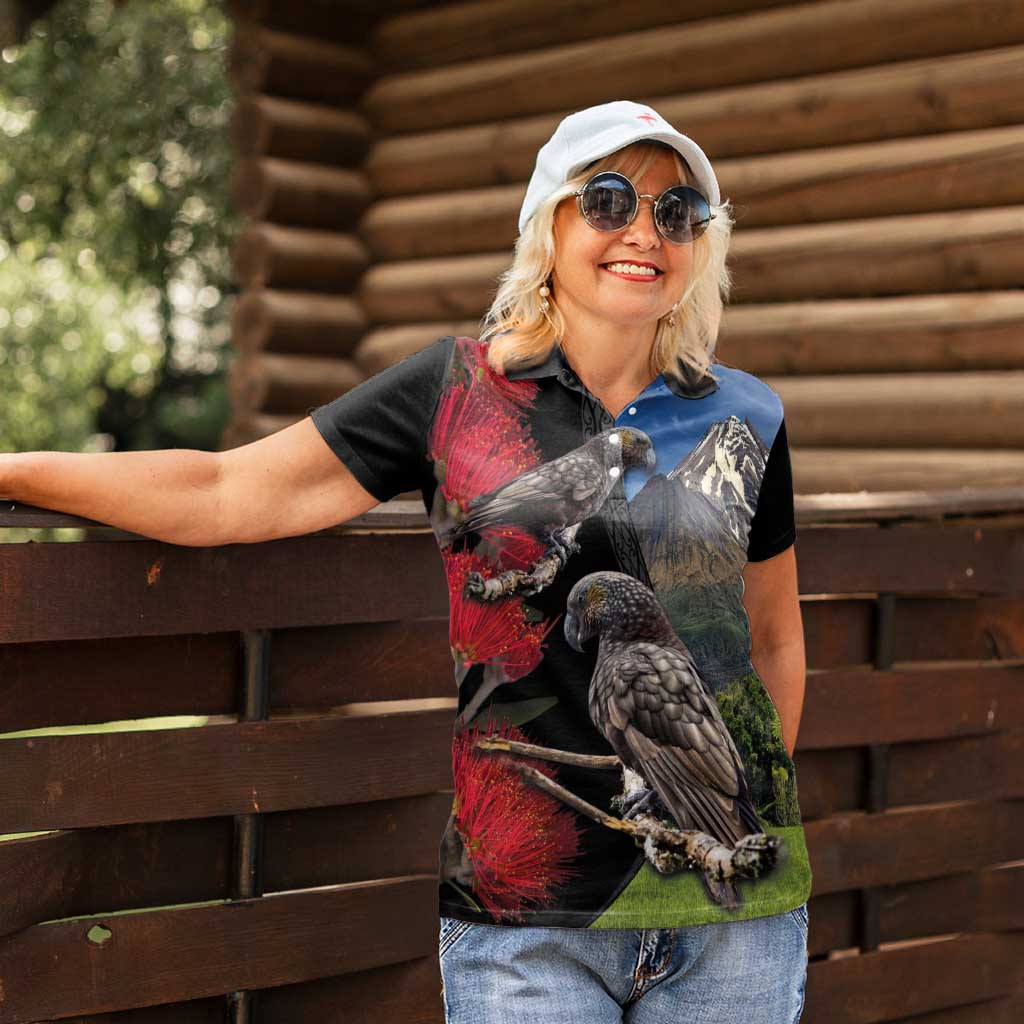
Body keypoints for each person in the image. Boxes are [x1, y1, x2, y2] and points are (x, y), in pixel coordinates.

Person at [0, 99, 809, 1022]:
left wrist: (727, 805)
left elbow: (776, 639)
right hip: (524, 927)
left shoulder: (748, 415)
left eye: (677, 213)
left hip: (736, 931)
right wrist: (17, 470)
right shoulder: (455, 389)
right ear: (550, 222)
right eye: (612, 200)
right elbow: (224, 492)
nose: (644, 233)